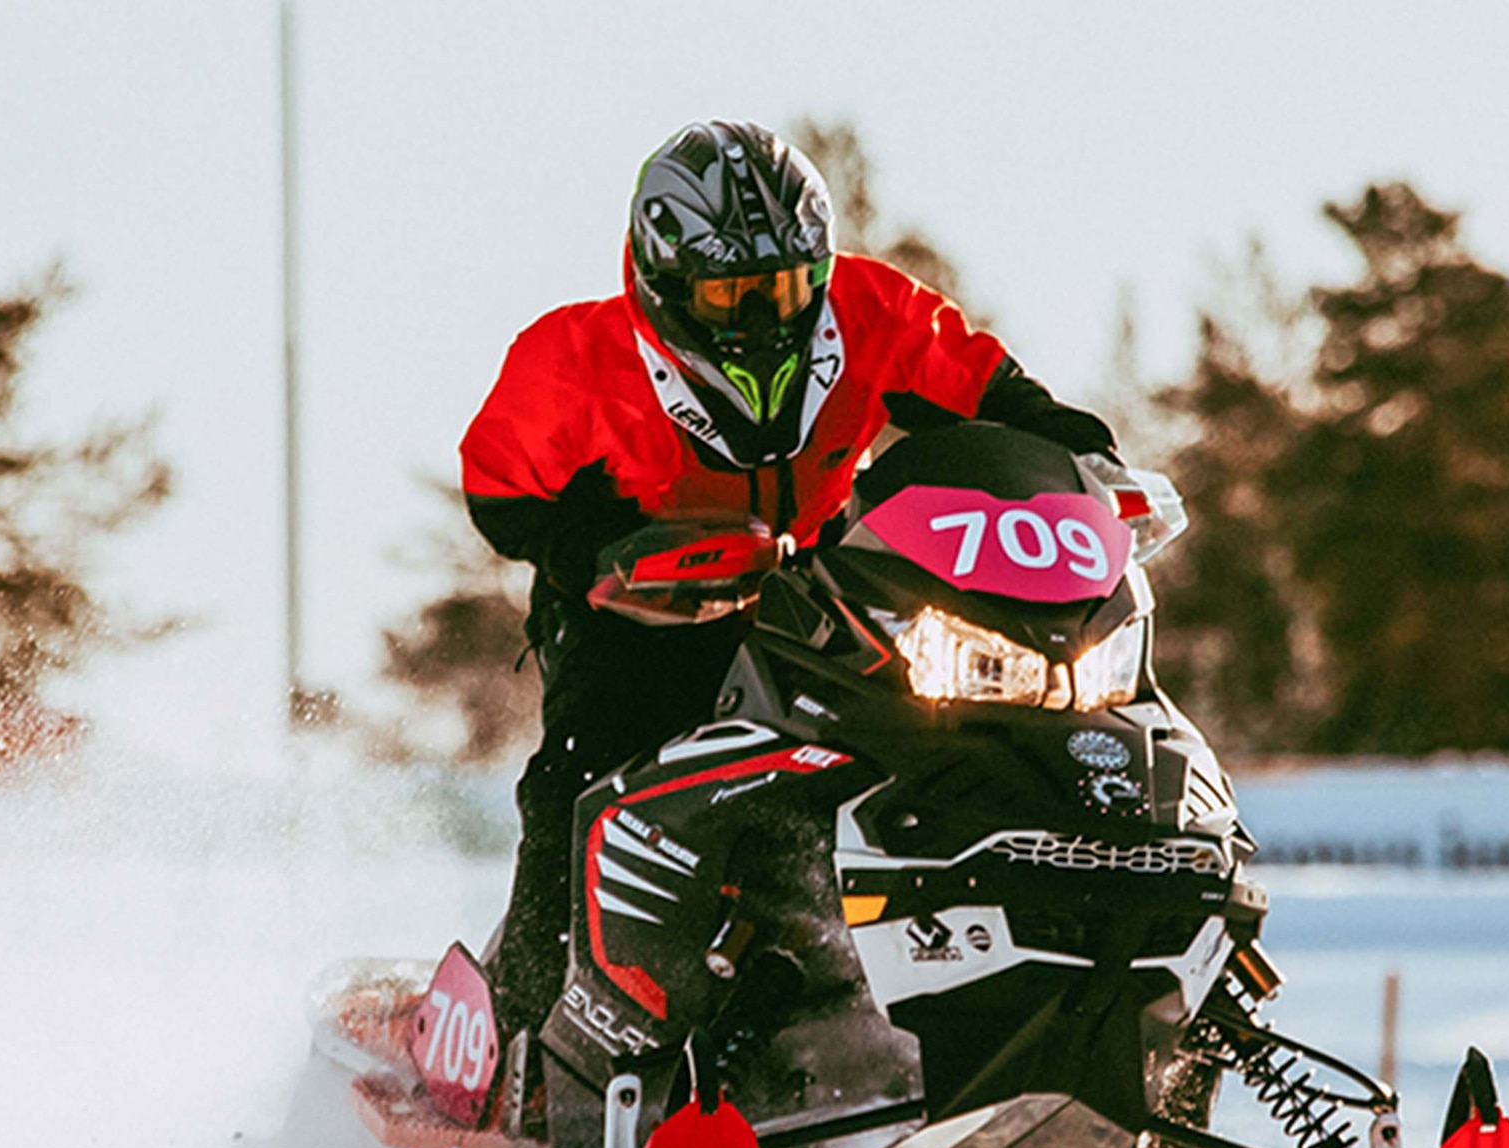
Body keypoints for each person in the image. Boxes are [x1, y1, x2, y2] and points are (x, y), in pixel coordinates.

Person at [460, 119, 1114, 1056]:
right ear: (664, 285)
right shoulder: (574, 358)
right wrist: (594, 549)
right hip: (635, 617)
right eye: (732, 293)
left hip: (817, 590)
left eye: (788, 287)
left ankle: (942, 1004)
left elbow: (995, 395)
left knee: (927, 749)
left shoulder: (874, 311)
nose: (766, 315)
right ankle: (522, 1034)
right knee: (580, 782)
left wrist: (1082, 460)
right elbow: (500, 486)